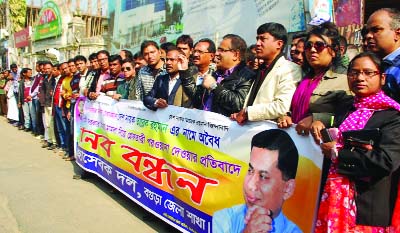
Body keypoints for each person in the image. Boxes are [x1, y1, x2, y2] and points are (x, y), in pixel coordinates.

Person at [314, 52, 400, 232]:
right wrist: (315, 121)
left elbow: (386, 160)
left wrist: (338, 153)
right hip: (333, 199)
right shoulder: (347, 109)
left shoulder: (391, 116)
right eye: (354, 72)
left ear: (382, 78)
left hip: (366, 207)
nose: (360, 78)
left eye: (368, 73)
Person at [212, 129, 301, 233]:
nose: (250, 185)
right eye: (250, 170)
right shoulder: (225, 218)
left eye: (263, 176)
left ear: (287, 189)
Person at [231, 22, 302, 124]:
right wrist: (241, 113)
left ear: (279, 44)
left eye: (263, 39)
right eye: (257, 39)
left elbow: (282, 106)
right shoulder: (260, 69)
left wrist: (248, 112)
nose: (258, 44)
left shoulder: (290, 69)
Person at [181, 34, 254, 117]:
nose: (216, 54)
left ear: (235, 55)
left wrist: (214, 86)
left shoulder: (246, 76)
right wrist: (185, 72)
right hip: (204, 126)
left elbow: (239, 104)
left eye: (221, 50)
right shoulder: (216, 73)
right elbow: (197, 97)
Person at [366, 8, 400, 103]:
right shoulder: (377, 64)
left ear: (397, 34)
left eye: (376, 30)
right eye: (367, 31)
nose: (368, 36)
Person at [179, 38, 216, 108]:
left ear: (211, 56)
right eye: (194, 51)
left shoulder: (217, 76)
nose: (195, 54)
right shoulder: (187, 73)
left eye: (200, 52)